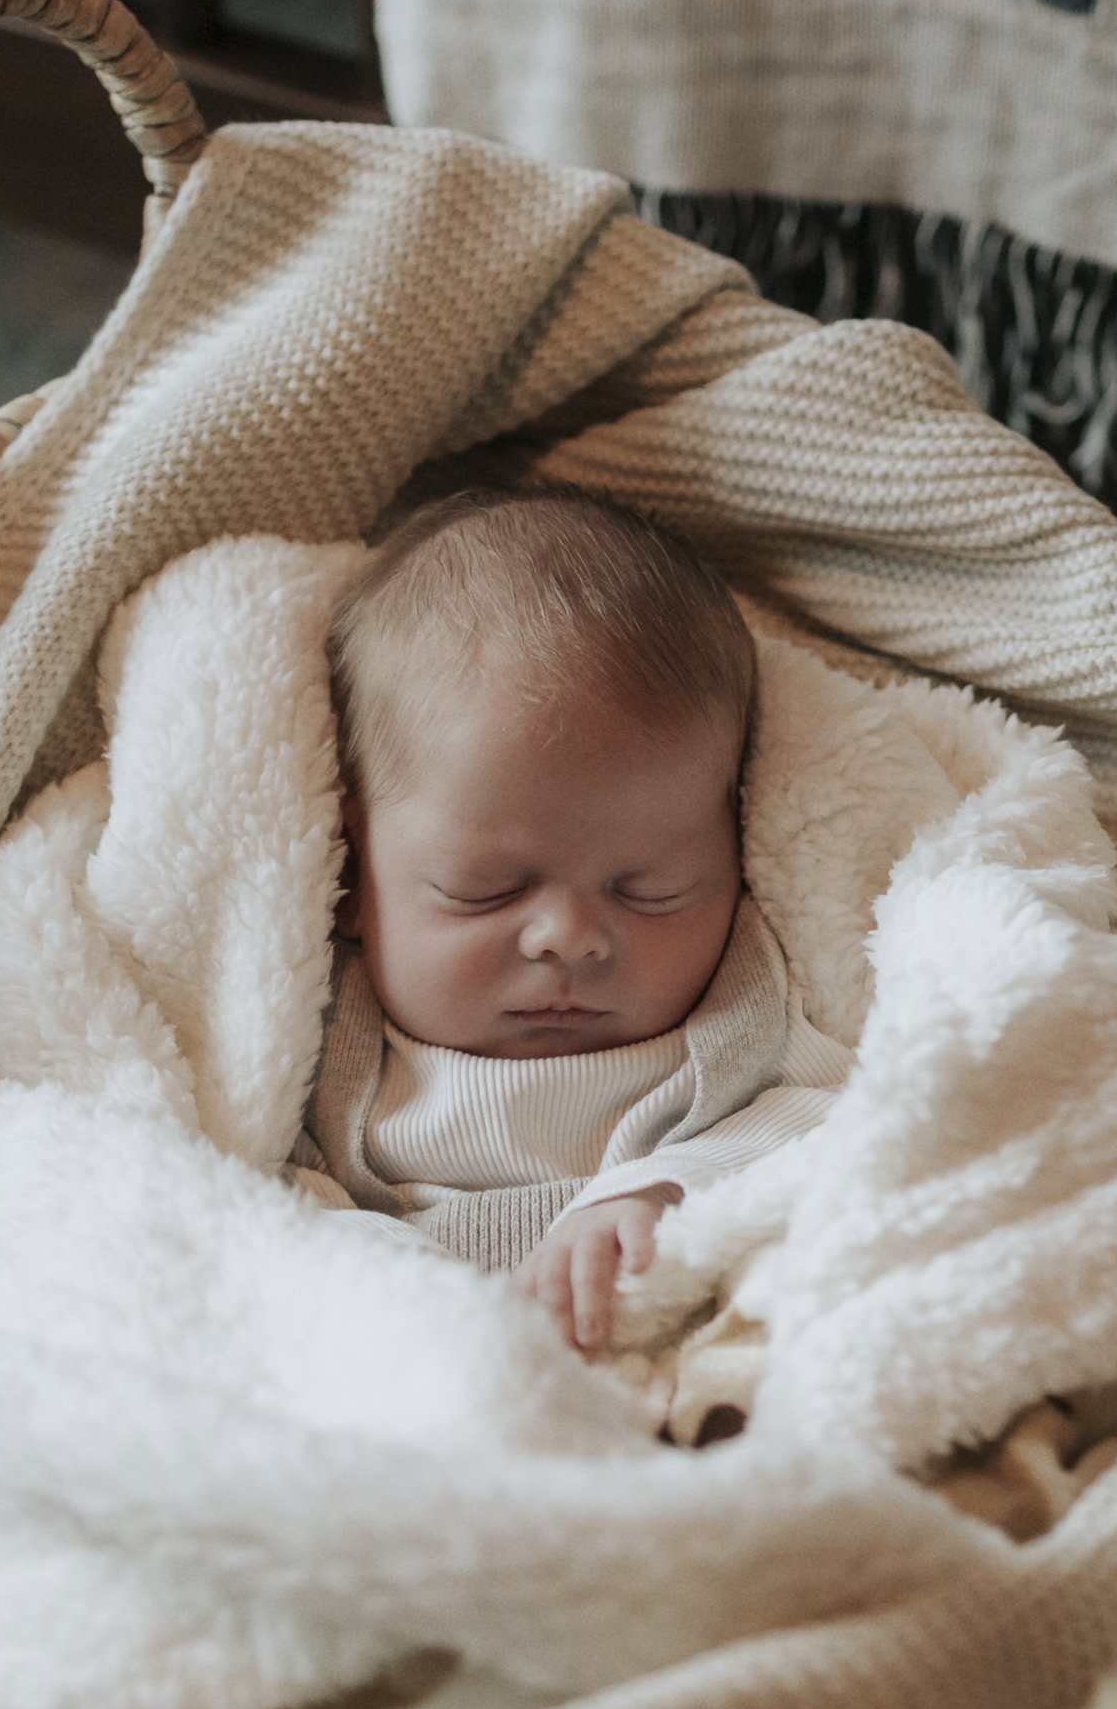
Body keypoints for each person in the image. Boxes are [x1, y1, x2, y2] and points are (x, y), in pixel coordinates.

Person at [292, 486, 846, 1352]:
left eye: (653, 888)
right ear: (353, 866)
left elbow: (840, 1116)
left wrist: (664, 1190)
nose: (569, 937)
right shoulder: (313, 1039)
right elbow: (252, 1202)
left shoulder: (739, 1017)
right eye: (485, 887)